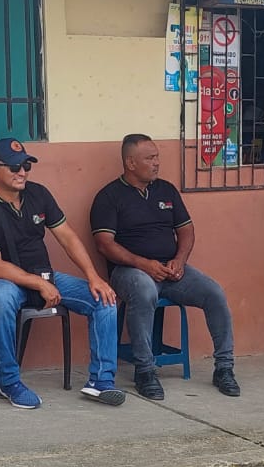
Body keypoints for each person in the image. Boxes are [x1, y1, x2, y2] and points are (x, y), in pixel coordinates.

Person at [0, 137, 122, 410]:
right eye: (14, 167)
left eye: (26, 166)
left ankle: (101, 381)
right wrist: (37, 283)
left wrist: (93, 276)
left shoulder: (39, 194)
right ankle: (8, 382)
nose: (22, 172)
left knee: (103, 298)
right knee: (0, 299)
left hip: (43, 276)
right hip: (4, 280)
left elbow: (67, 237)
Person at [90, 134, 240, 400]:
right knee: (145, 291)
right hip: (129, 271)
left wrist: (180, 260)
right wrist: (144, 264)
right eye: (150, 158)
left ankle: (224, 368)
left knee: (214, 293)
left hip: (171, 271)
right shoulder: (109, 196)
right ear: (130, 163)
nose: (157, 163)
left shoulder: (166, 190)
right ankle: (145, 371)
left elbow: (186, 231)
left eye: (157, 157)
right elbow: (104, 244)